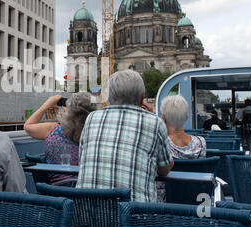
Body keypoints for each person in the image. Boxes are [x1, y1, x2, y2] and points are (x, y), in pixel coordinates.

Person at [76, 70, 174, 203]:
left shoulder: (92, 118)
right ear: (142, 97)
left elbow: (81, 158)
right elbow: (164, 169)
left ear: (109, 96)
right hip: (131, 217)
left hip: (85, 213)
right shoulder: (155, 123)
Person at [24, 92, 96, 184]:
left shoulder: (53, 130)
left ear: (69, 111)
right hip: (86, 191)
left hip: (55, 192)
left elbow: (27, 126)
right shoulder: (95, 133)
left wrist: (46, 105)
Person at [157, 95, 207, 202]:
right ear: (187, 117)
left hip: (165, 204)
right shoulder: (201, 143)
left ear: (164, 118)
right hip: (194, 200)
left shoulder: (160, 143)